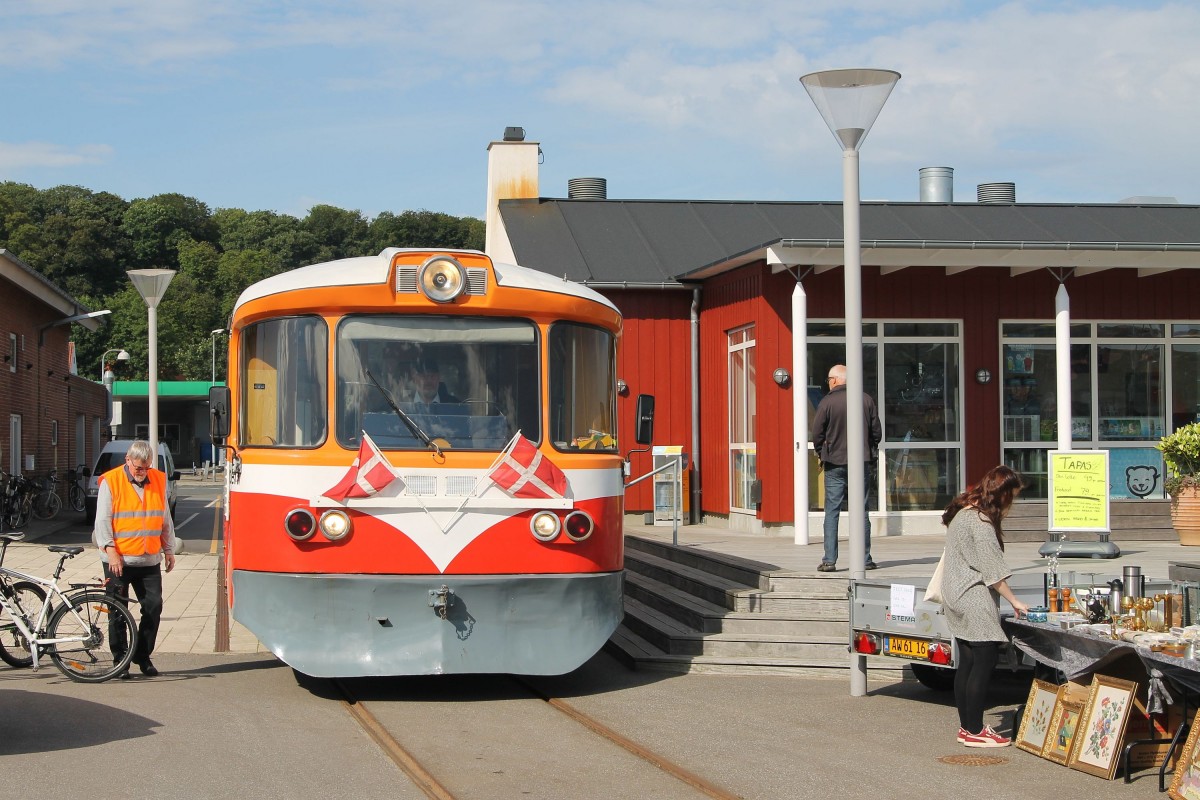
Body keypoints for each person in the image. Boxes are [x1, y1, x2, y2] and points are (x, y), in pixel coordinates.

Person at [941, 465, 1030, 748]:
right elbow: (994, 573)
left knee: (966, 662)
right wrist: (1015, 601)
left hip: (954, 594)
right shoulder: (980, 523)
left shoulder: (963, 513)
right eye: (1012, 496)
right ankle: (976, 731)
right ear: (1002, 494)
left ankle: (967, 727)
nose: (1012, 504)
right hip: (973, 596)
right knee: (985, 660)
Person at [93, 439, 175, 678]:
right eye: (138, 467)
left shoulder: (158, 479)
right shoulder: (111, 481)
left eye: (146, 467)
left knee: (153, 607)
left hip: (149, 559)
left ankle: (142, 655)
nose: (142, 472)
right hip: (118, 559)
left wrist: (168, 549)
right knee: (118, 611)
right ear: (127, 460)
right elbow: (102, 521)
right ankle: (121, 661)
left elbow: (164, 517)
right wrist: (111, 553)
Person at [811, 364, 882, 572]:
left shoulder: (827, 402)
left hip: (834, 463)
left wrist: (820, 450)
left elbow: (817, 432)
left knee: (832, 511)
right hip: (861, 462)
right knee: (862, 511)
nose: (829, 383)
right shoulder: (865, 399)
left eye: (829, 380)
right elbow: (877, 432)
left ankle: (829, 560)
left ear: (835, 380)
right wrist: (869, 447)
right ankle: (865, 559)